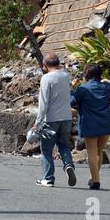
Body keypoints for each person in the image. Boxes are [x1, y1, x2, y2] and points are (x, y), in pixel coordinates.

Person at [70, 64, 110, 190]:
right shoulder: (105, 87)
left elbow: (72, 101)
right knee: (99, 152)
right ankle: (93, 177)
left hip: (89, 125)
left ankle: (96, 181)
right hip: (104, 125)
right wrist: (107, 80)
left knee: (92, 153)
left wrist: (71, 88)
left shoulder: (82, 89)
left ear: (87, 74)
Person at [35, 53, 76, 187]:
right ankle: (68, 165)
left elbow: (43, 102)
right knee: (64, 145)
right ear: (58, 64)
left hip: (50, 119)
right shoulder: (65, 76)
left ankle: (48, 178)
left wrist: (39, 121)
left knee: (46, 149)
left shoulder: (46, 78)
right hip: (66, 118)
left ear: (45, 66)